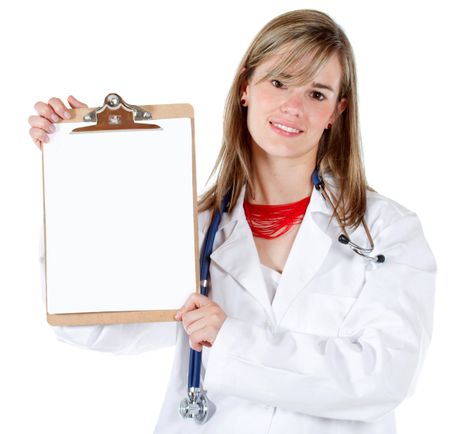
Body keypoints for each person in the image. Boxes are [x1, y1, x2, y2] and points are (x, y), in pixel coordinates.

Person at [28, 9, 436, 434]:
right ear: (246, 88)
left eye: (317, 94)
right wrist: (70, 175)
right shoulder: (190, 229)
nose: (293, 107)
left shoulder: (386, 231)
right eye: (278, 82)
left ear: (337, 110)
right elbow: (91, 327)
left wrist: (232, 340)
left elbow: (383, 377)